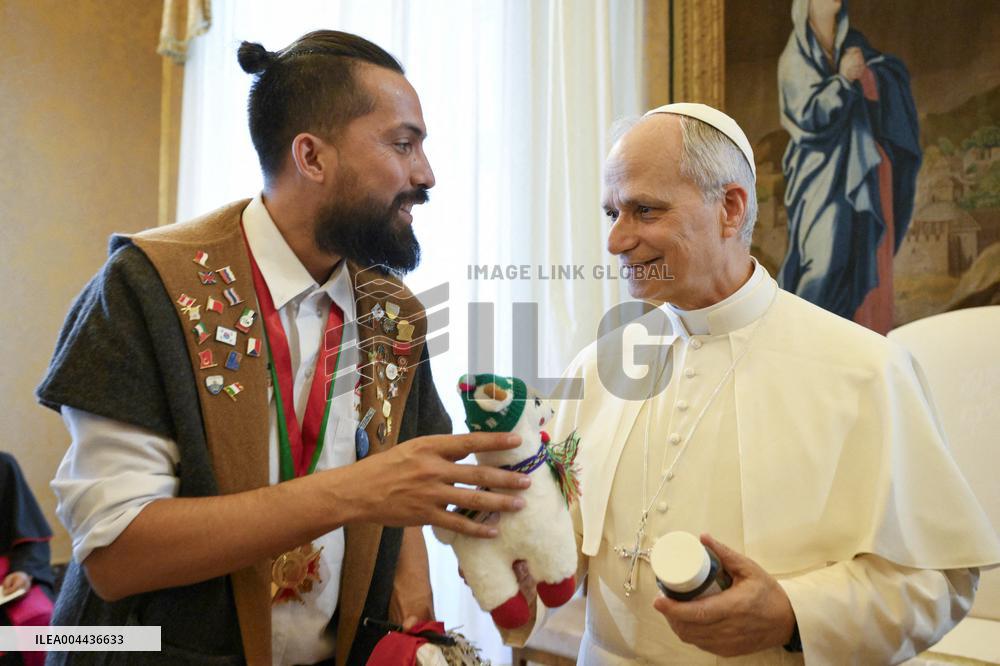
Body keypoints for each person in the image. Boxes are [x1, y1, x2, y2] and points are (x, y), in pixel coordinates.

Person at [37, 30, 531, 666]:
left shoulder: (393, 314)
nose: (425, 175)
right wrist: (357, 491)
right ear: (312, 156)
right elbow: (116, 557)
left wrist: (475, 557)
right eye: (403, 144)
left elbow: (405, 478)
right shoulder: (147, 288)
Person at [501, 103, 1000, 664]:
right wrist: (506, 530)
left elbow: (938, 580)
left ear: (730, 209)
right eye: (611, 213)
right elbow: (554, 544)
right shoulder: (597, 368)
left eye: (644, 210)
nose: (617, 241)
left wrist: (792, 612)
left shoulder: (865, 369)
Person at [777, 0, 922, 334]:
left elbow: (887, 75)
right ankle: (799, 341)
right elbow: (808, 116)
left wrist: (870, 76)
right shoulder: (795, 57)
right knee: (824, 262)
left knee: (856, 256)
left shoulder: (852, 43)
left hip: (858, 170)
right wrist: (843, 80)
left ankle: (845, 342)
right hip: (818, 174)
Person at [1, 452, 56, 666]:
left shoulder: (3, 466)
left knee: (38, 617)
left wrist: (22, 571)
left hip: (6, 578)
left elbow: (30, 538)